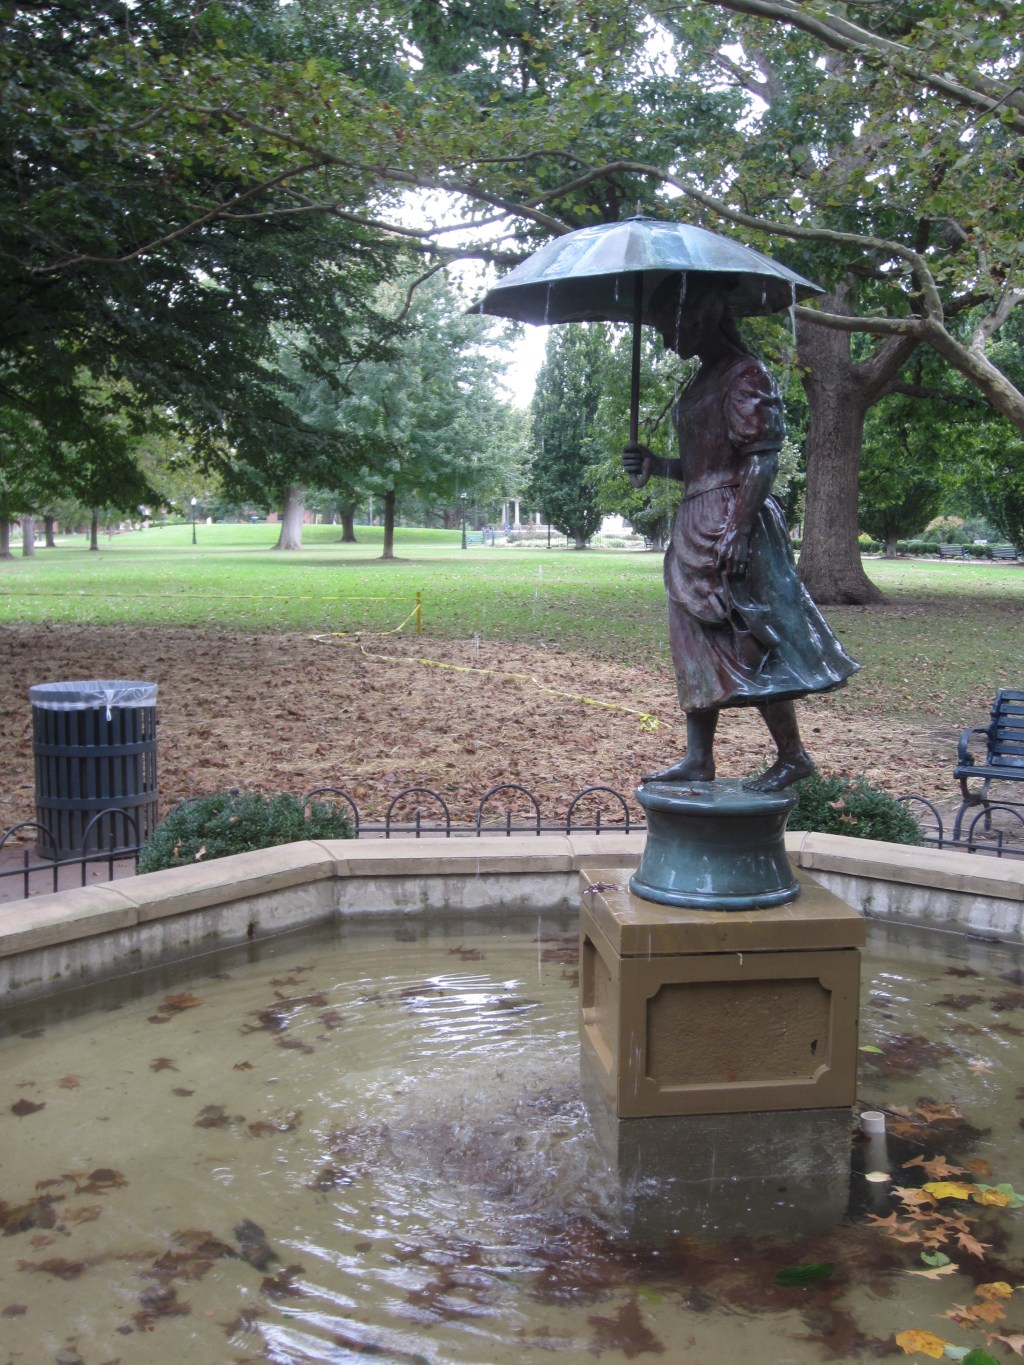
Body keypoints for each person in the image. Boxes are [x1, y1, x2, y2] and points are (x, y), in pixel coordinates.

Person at [623, 272, 858, 793]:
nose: (665, 340)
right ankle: (698, 759)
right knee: (694, 642)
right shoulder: (701, 382)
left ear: (702, 315)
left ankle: (793, 754)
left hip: (734, 519)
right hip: (696, 521)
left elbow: (761, 458)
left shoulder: (746, 375)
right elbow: (703, 464)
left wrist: (739, 529)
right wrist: (658, 464)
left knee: (753, 638)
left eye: (671, 327)